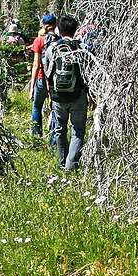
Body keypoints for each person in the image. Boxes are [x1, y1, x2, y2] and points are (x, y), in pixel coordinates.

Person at [43, 15, 88, 171]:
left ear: (59, 30)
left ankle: (63, 163)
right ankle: (71, 165)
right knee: (78, 130)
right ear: (75, 30)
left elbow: (48, 73)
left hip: (58, 97)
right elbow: (87, 74)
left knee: (60, 130)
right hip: (78, 95)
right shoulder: (81, 48)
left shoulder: (51, 48)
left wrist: (50, 95)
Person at [27, 13, 58, 149]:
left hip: (41, 78)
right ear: (55, 25)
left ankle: (36, 138)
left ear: (44, 25)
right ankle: (53, 142)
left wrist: (31, 86)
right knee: (55, 109)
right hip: (56, 80)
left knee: (36, 107)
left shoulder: (39, 41)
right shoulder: (60, 40)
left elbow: (36, 64)